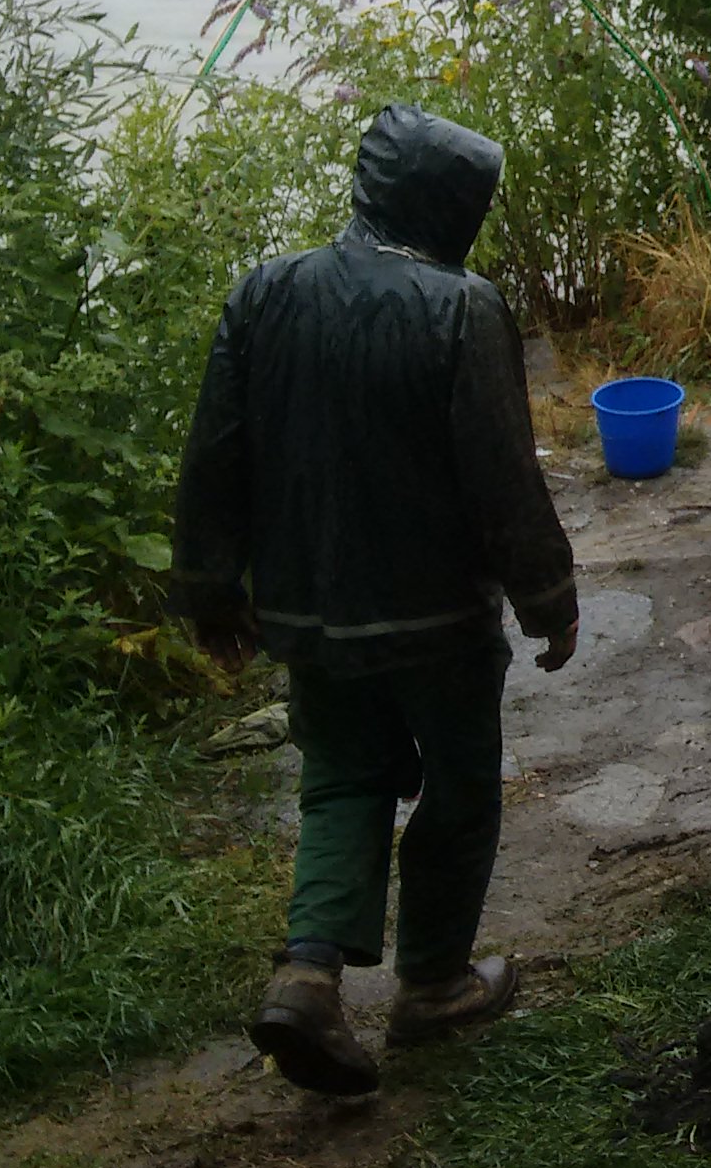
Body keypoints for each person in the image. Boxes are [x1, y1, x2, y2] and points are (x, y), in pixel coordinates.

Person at [172, 105, 579, 1096]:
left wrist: (211, 587)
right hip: (436, 618)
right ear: (449, 206)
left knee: (343, 778)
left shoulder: (263, 293)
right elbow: (500, 476)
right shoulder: (463, 307)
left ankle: (308, 975)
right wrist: (547, 593)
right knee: (462, 787)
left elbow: (216, 452)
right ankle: (433, 986)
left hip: (307, 610)